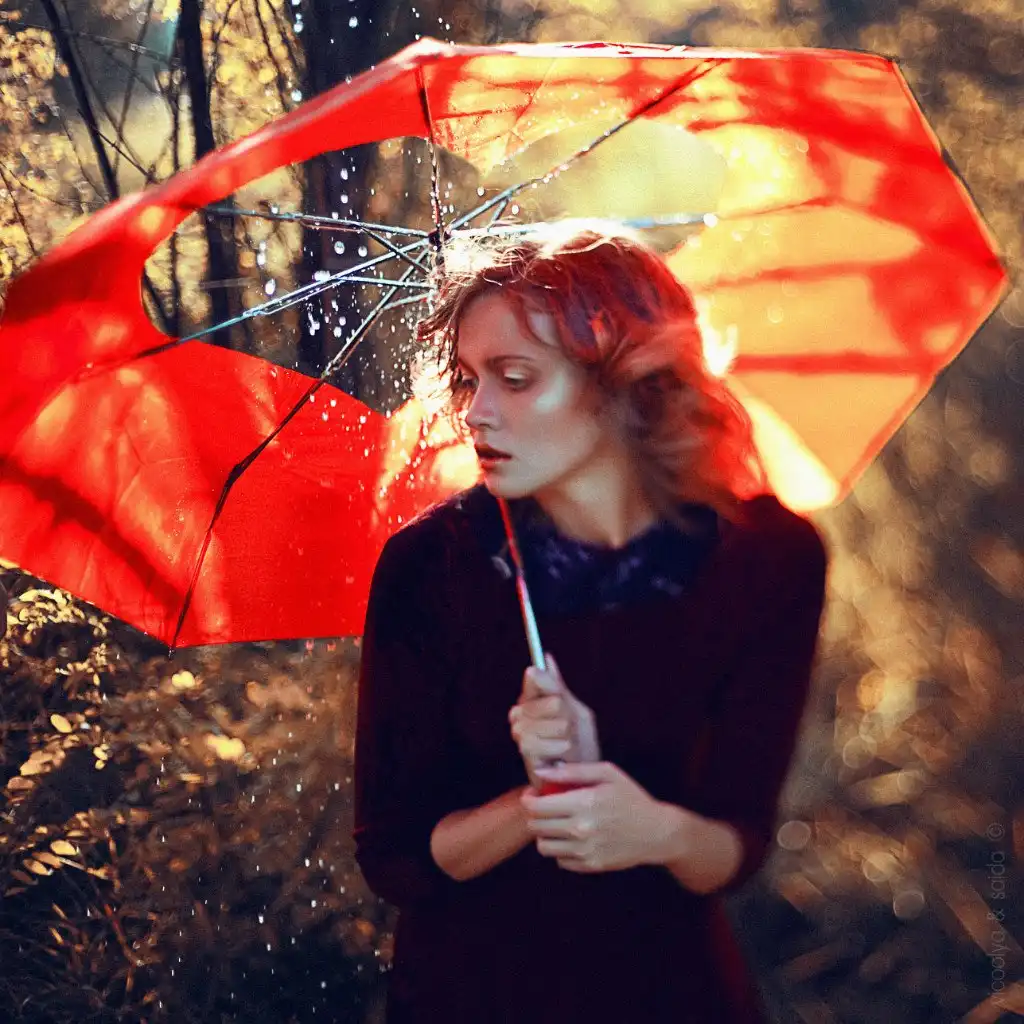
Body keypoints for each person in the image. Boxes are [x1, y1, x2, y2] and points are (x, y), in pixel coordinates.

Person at [352, 223, 829, 1023]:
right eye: (468, 379)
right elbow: (393, 860)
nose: (477, 413)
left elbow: (737, 845)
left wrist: (653, 830)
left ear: (625, 380)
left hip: (670, 991)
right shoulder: (433, 568)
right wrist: (533, 801)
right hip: (474, 994)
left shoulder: (766, 560)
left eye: (514, 377)